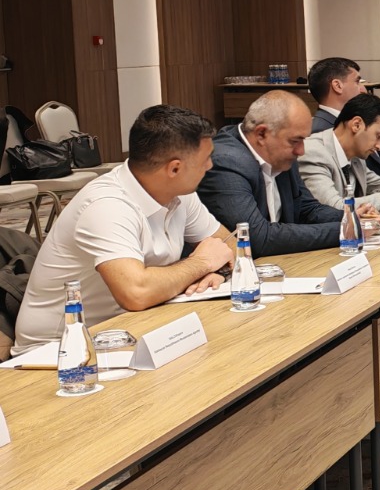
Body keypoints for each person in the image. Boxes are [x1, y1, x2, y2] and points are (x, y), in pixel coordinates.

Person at [10, 105, 235, 355]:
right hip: (59, 352)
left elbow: (230, 244)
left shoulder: (179, 193)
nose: (210, 166)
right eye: (205, 159)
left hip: (128, 329)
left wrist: (218, 271)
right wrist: (202, 264)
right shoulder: (107, 205)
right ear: (174, 168)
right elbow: (136, 293)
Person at [198, 90, 351, 257]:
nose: (301, 151)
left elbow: (307, 209)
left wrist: (353, 217)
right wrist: (346, 229)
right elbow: (256, 238)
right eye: (295, 141)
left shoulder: (280, 153)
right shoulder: (227, 162)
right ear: (261, 134)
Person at [309, 56, 380, 182]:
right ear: (337, 86)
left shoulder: (349, 121)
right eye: (357, 82)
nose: (363, 89)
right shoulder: (321, 133)